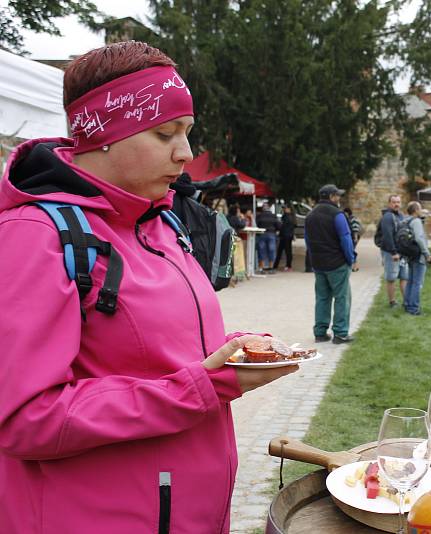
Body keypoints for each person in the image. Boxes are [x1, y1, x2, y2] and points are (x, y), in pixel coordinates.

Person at [0, 41, 298, 533]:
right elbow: (24, 418)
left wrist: (235, 351)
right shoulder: (35, 235)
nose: (185, 153)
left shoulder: (161, 222)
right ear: (101, 138)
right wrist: (202, 386)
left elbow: (159, 355)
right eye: (165, 134)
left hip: (187, 509)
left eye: (186, 132)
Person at [305, 184, 356, 344]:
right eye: (337, 195)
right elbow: (346, 239)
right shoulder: (337, 215)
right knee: (342, 298)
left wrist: (313, 259)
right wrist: (351, 259)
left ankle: (320, 332)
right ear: (332, 197)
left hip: (319, 263)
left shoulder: (310, 215)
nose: (339, 198)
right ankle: (340, 333)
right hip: (337, 263)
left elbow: (307, 240)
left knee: (322, 298)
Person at [379, 194, 409, 308]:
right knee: (391, 278)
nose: (396, 204)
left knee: (404, 277)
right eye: (394, 202)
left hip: (402, 253)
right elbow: (387, 236)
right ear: (389, 203)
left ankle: (406, 301)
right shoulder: (387, 217)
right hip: (391, 252)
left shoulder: (401, 216)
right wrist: (393, 252)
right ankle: (392, 302)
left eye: (398, 202)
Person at [402, 201, 431, 316]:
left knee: (410, 281)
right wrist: (427, 253)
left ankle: (407, 303)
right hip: (419, 255)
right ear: (415, 210)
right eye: (420, 209)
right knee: (417, 283)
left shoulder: (407, 220)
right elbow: (419, 238)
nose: (421, 210)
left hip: (411, 255)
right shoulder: (416, 221)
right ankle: (414, 308)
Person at [256, 202, 280, 274]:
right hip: (271, 234)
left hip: (262, 234)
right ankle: (271, 267)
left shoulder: (259, 216)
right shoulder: (273, 216)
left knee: (261, 250)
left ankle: (261, 268)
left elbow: (257, 224)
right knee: (272, 250)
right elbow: (278, 225)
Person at [273, 204, 296, 271]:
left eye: (285, 208)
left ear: (289, 209)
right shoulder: (292, 217)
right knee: (288, 251)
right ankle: (287, 265)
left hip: (285, 236)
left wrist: (279, 230)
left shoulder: (286, 217)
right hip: (288, 236)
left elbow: (282, 226)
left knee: (283, 251)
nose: (284, 209)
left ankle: (278, 265)